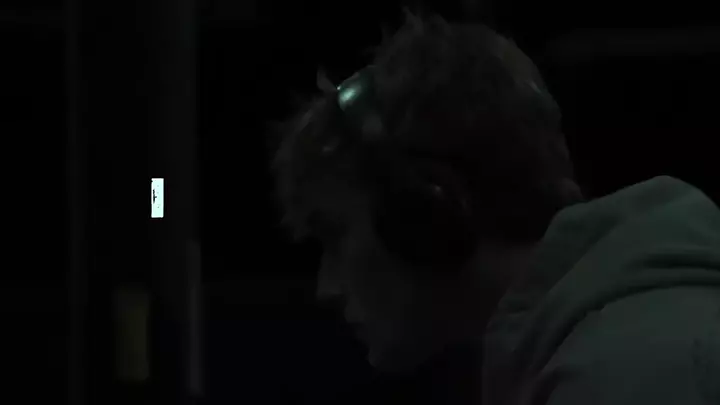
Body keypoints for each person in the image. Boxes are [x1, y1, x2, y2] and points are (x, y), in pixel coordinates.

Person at [271, 11, 720, 405]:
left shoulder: (629, 374)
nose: (327, 287)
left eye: (336, 236)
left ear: (424, 210)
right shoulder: (611, 349)